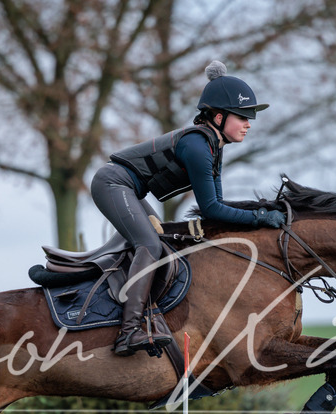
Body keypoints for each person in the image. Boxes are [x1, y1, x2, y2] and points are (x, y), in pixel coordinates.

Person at [91, 60, 287, 357]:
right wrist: (259, 217)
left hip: (128, 189)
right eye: (243, 117)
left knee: (162, 243)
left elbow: (217, 207)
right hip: (112, 183)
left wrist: (255, 216)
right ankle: (128, 332)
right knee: (149, 243)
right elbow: (210, 210)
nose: (249, 123)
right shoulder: (197, 147)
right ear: (219, 116)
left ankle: (148, 316)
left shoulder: (212, 147)